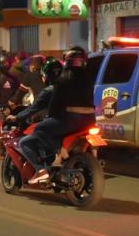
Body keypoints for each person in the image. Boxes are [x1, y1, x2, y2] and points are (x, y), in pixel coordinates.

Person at [18, 47, 94, 184]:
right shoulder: (89, 77)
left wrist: (51, 117)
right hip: (89, 120)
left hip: (69, 120)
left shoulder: (63, 79)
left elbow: (55, 105)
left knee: (39, 129)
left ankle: (56, 153)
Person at [0, 53, 24, 160]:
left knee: (0, 132)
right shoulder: (14, 77)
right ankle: (6, 154)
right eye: (3, 63)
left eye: (6, 62)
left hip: (2, 109)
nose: (5, 65)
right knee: (7, 132)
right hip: (9, 108)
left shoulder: (0, 77)